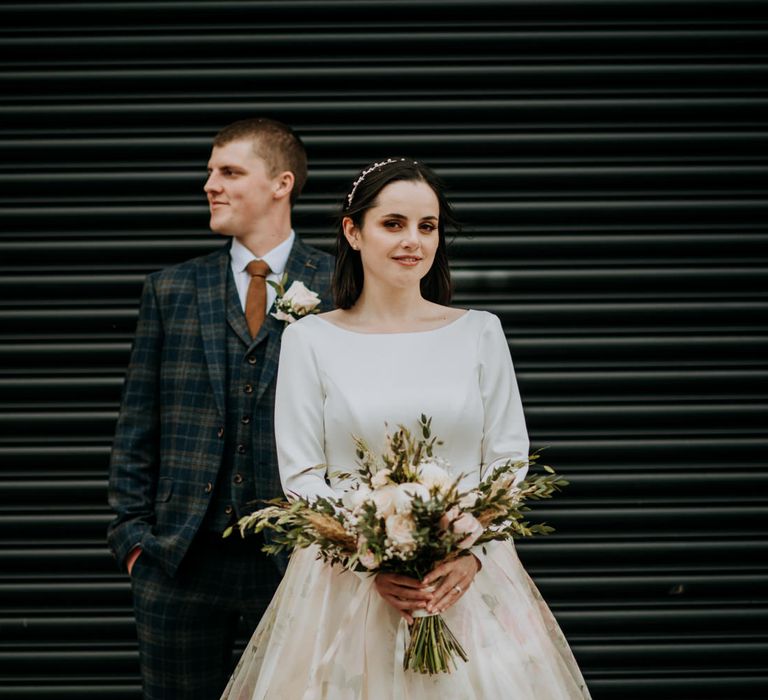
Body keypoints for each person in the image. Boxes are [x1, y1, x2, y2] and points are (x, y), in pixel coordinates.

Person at [221, 158, 590, 699]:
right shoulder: (310, 341)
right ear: (353, 230)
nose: (412, 240)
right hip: (347, 587)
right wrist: (371, 553)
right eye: (393, 224)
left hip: (469, 581)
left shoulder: (481, 333)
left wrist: (470, 550)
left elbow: (509, 458)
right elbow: (302, 472)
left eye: (427, 225)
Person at [107, 117, 335, 699]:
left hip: (298, 560)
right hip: (180, 561)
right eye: (211, 171)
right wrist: (135, 543)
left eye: (230, 172)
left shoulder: (339, 288)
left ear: (281, 183)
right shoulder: (172, 289)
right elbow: (138, 425)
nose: (211, 184)